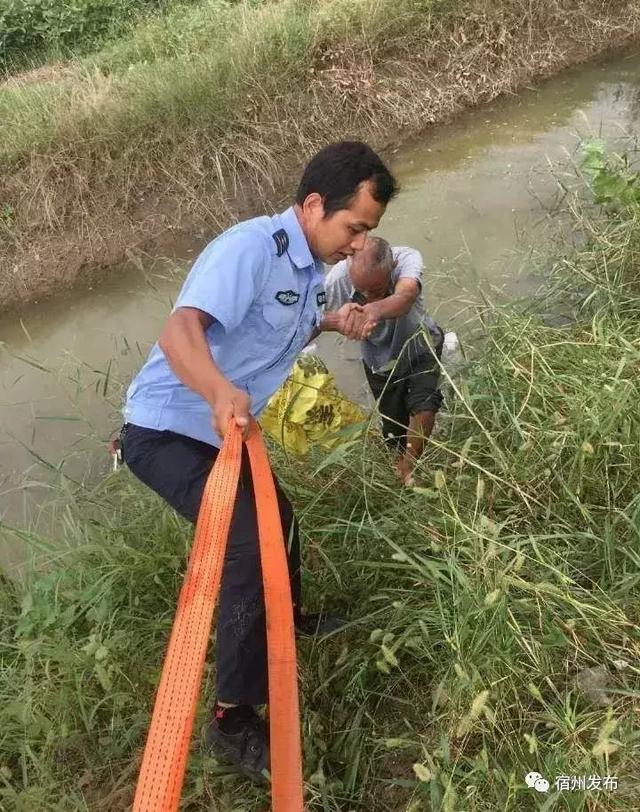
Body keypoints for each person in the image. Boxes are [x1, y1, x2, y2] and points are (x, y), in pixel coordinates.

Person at [118, 141, 397, 784]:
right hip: (167, 430)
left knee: (281, 521)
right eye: (355, 229)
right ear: (314, 205)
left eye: (368, 235)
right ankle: (233, 717)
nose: (359, 246)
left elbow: (278, 328)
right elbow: (179, 331)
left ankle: (286, 622)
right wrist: (219, 392)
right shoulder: (250, 249)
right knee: (245, 540)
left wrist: (331, 322)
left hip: (225, 435)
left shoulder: (302, 274)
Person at [324, 237, 444, 486]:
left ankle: (409, 469)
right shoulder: (337, 280)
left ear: (393, 266)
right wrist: (341, 323)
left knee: (424, 406)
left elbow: (406, 295)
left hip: (420, 347)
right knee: (393, 430)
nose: (367, 296)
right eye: (361, 291)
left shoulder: (407, 258)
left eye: (376, 290)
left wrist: (370, 311)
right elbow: (314, 317)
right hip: (380, 363)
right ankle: (400, 458)